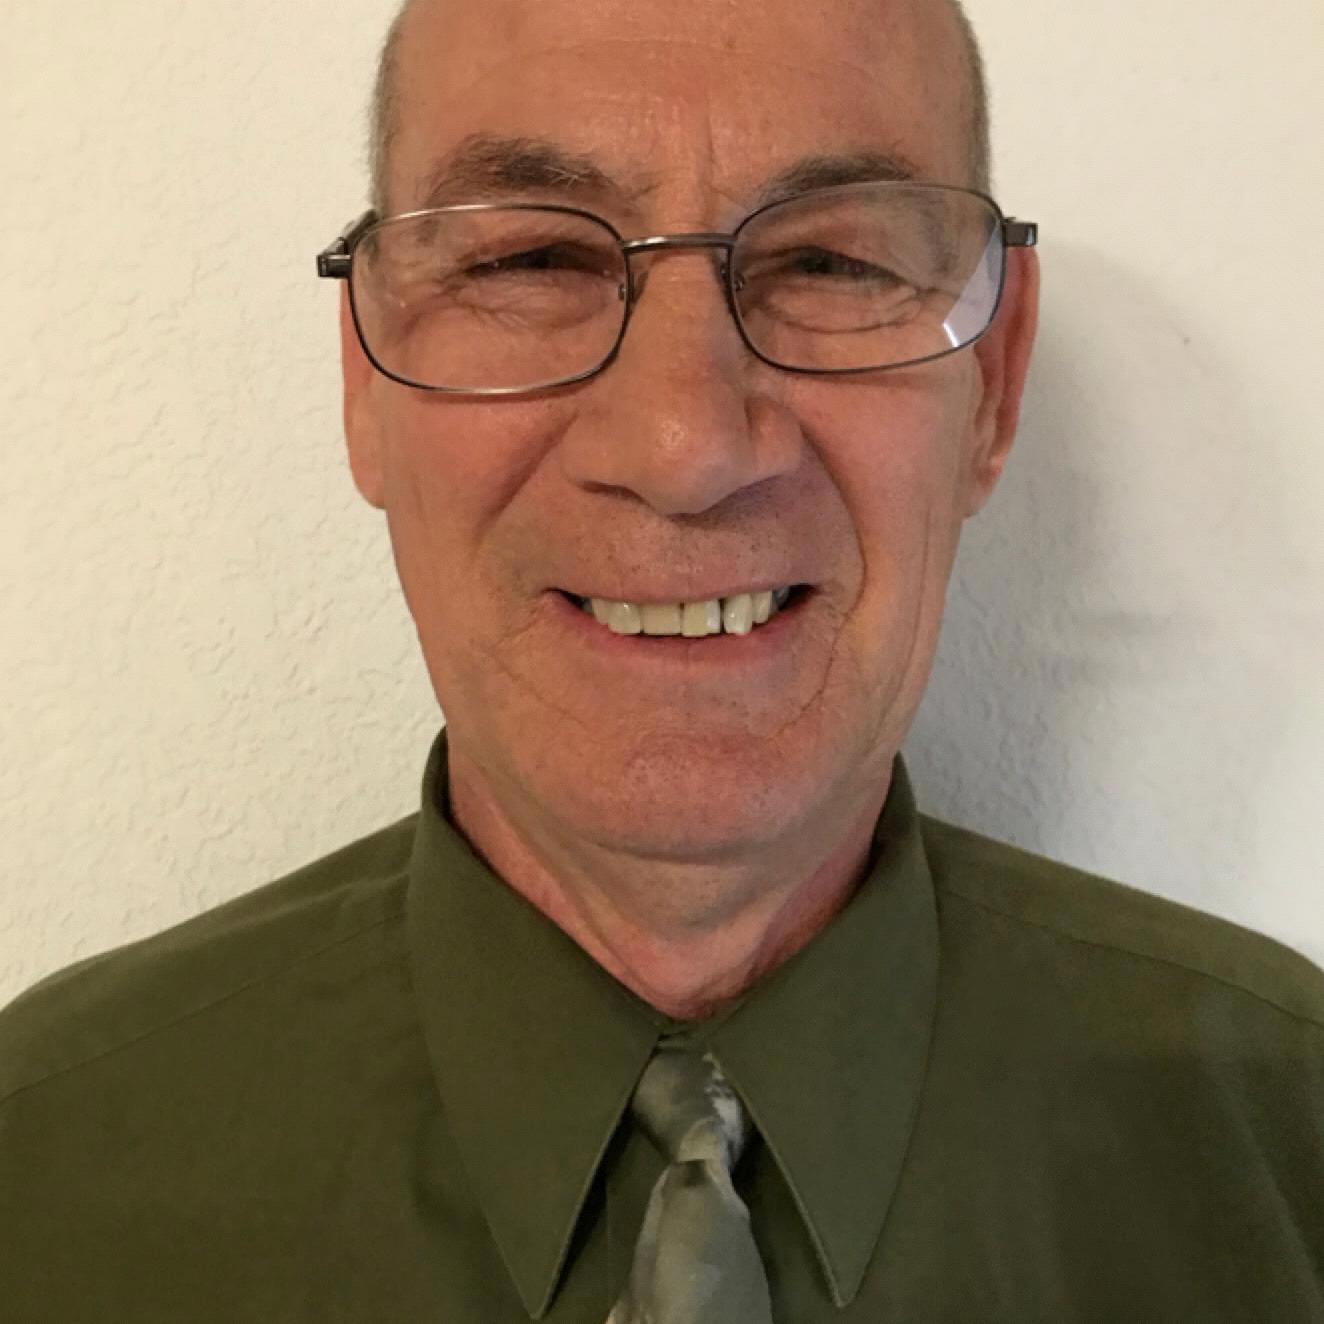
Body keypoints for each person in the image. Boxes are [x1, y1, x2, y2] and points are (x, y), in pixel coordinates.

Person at [1, 0, 1321, 1318]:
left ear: (996, 383)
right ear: (365, 381)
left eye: (831, 263)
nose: (686, 447)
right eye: (530, 260)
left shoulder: (1289, 1146)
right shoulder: (39, 1173)